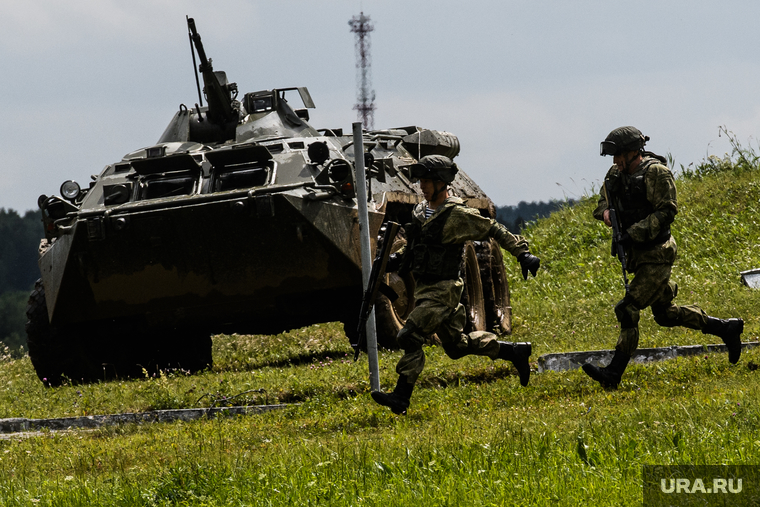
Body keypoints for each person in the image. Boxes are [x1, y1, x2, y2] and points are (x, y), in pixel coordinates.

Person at [371, 154, 541, 415]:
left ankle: (402, 396)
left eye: (427, 181)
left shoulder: (457, 214)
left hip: (444, 290)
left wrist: (522, 253)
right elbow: (416, 249)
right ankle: (515, 352)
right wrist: (394, 260)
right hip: (426, 288)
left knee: (409, 334)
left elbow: (494, 229)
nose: (421, 186)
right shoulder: (420, 212)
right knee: (456, 346)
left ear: (442, 182)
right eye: (420, 181)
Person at [583, 126, 744, 389]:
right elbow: (602, 201)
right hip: (637, 255)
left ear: (633, 151)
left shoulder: (656, 173)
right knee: (665, 314)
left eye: (619, 155)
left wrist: (634, 232)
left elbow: (667, 211)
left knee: (627, 308)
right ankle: (727, 329)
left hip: (657, 255)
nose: (615, 162)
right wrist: (606, 214)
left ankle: (613, 374)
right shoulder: (615, 175)